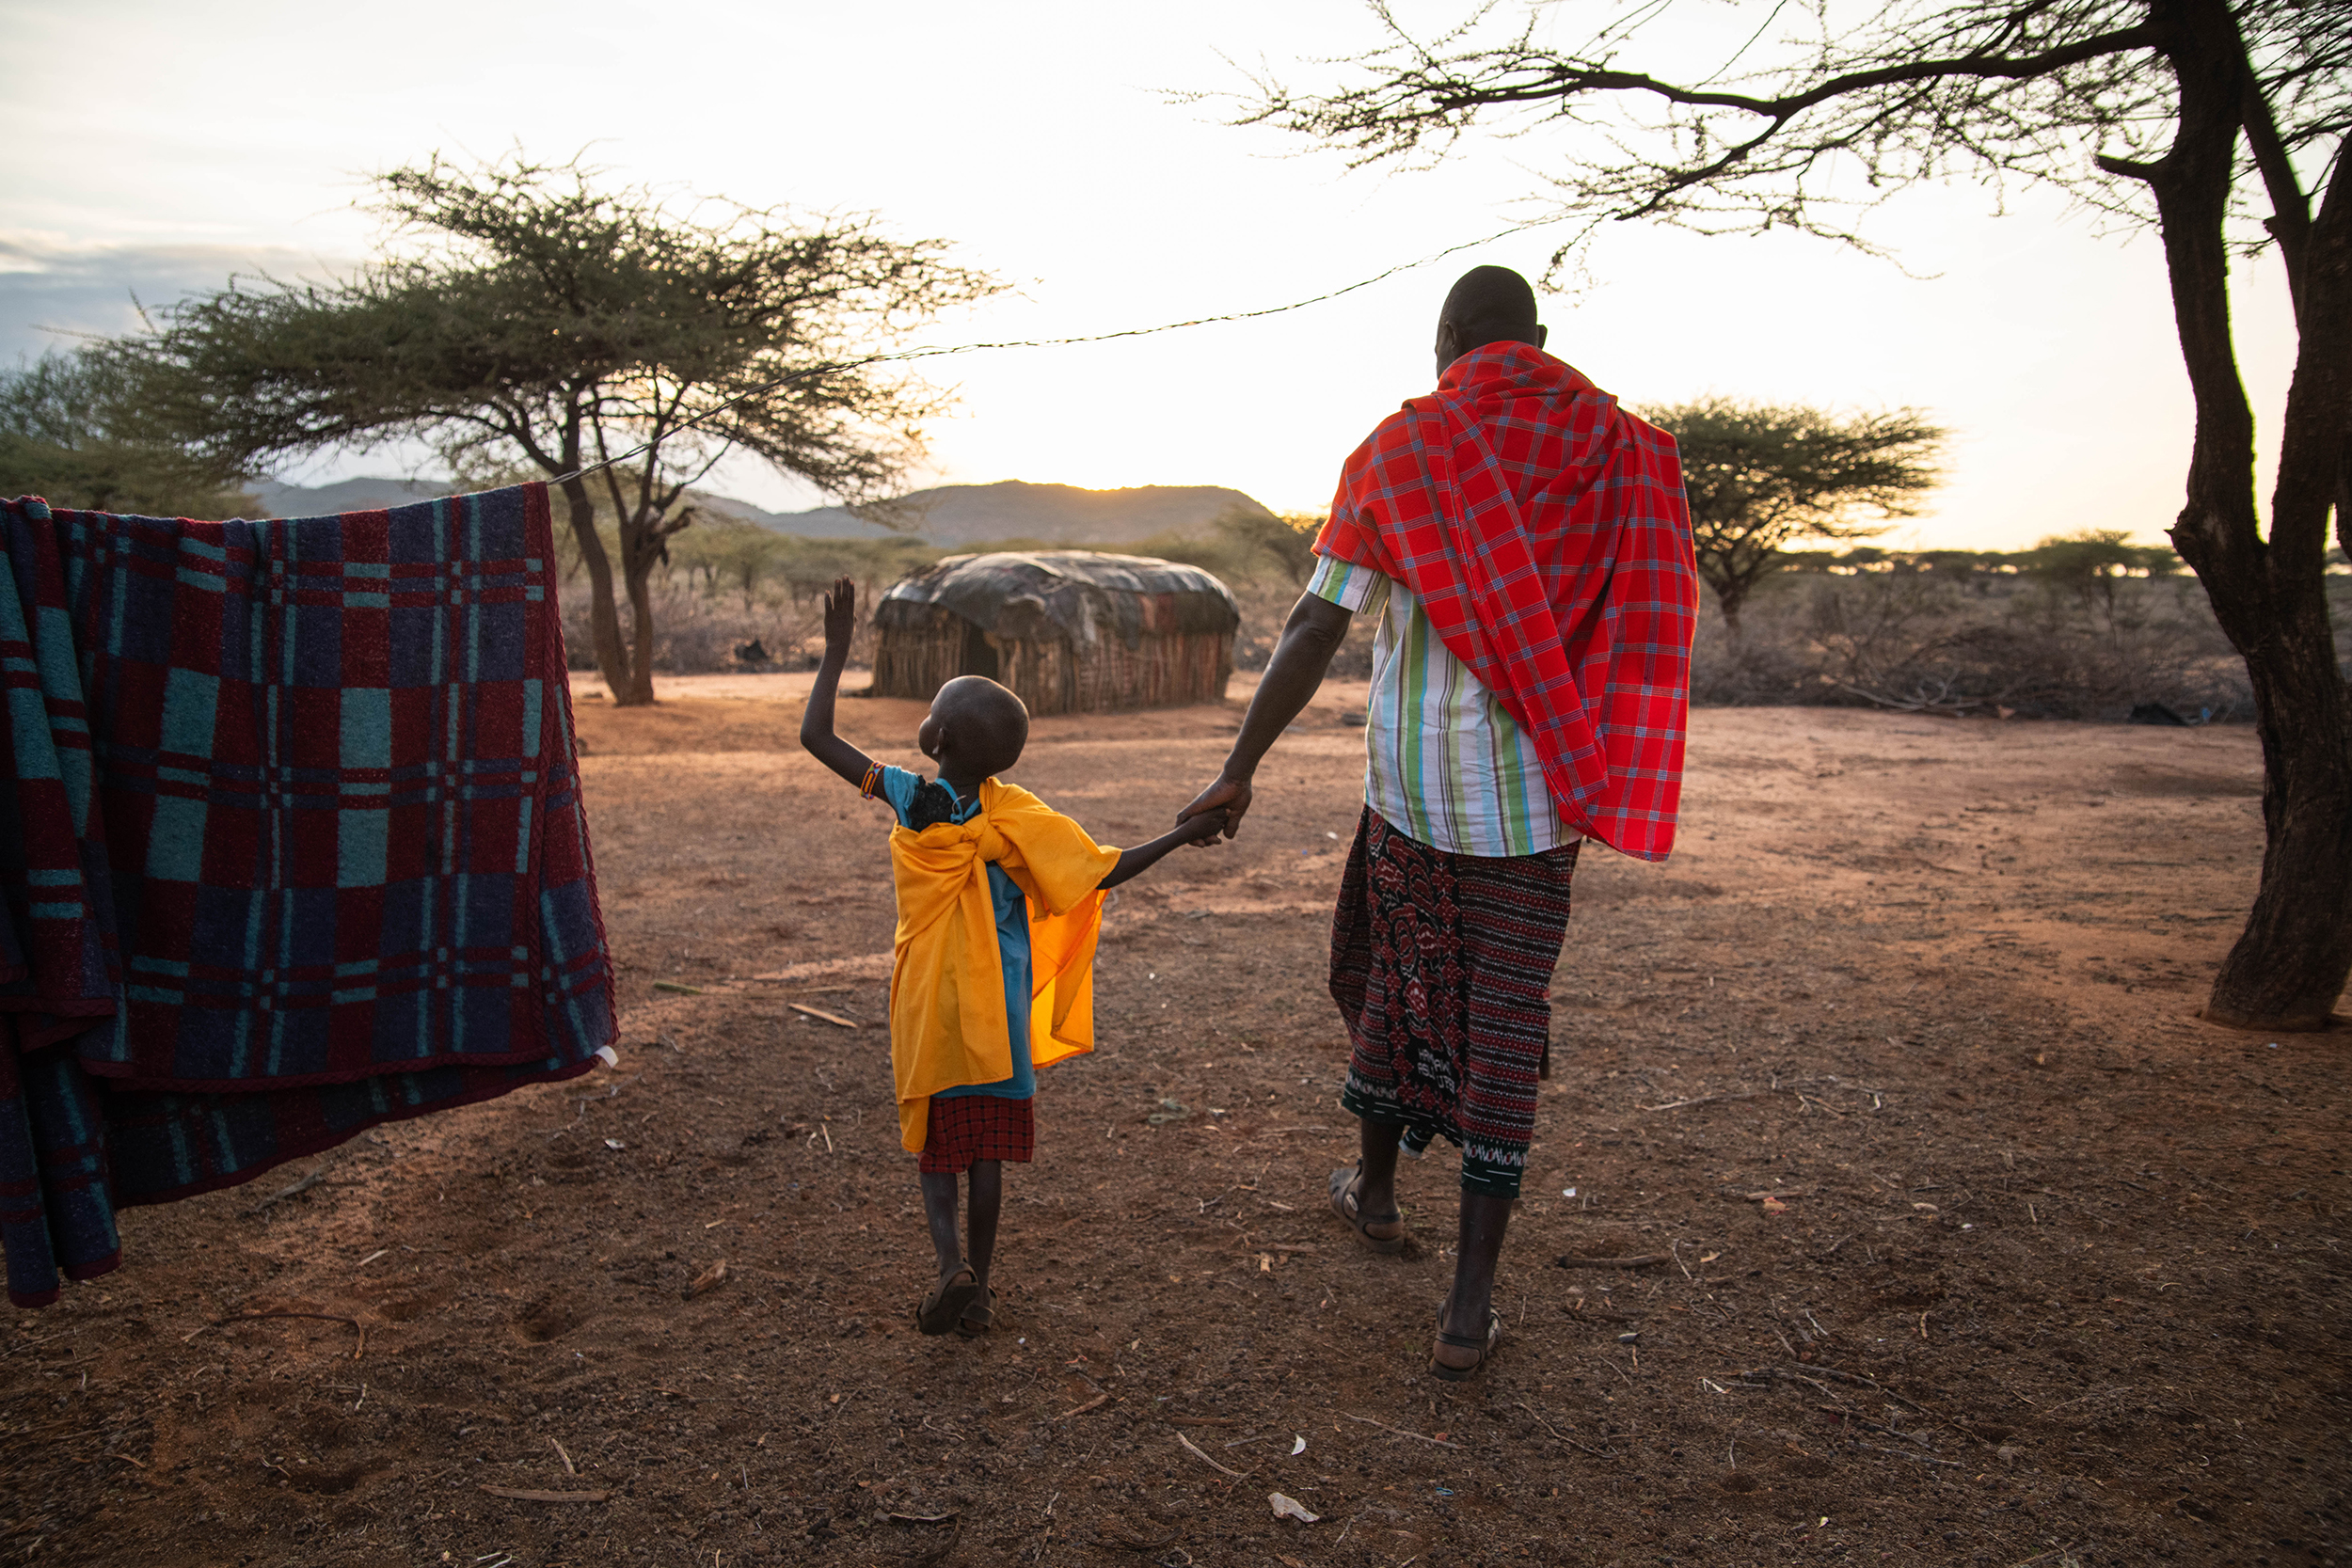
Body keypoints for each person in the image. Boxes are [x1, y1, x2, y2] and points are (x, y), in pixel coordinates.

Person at [1179, 265, 1698, 1380]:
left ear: (1448, 338)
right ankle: (1465, 1304)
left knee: (1386, 970)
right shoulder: (1629, 455)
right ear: (1541, 336)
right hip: (1545, 792)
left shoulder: (1403, 451)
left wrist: (1238, 767)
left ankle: (1373, 1186)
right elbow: (1642, 628)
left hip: (1413, 790)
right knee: (1505, 1020)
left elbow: (1318, 624)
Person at [801, 577, 1228, 1336]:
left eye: (931, 712)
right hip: (997, 1008)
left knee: (937, 1151)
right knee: (987, 1151)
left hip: (930, 1003)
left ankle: (948, 1270)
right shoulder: (1018, 816)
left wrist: (835, 652)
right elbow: (1104, 867)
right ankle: (984, 1287)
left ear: (937, 743)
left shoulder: (907, 795)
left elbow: (818, 740)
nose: (925, 718)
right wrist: (1183, 835)